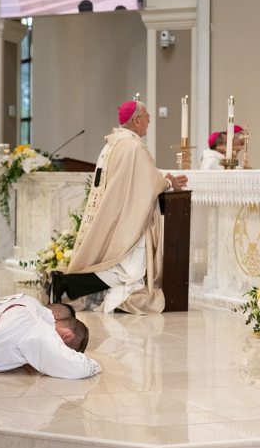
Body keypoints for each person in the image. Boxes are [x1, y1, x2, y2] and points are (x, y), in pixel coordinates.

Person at [49, 100, 187, 314]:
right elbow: (147, 183)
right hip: (128, 217)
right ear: (137, 120)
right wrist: (168, 182)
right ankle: (67, 283)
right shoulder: (133, 147)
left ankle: (67, 283)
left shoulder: (112, 145)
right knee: (128, 269)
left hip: (116, 212)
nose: (149, 120)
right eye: (147, 116)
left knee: (117, 264)